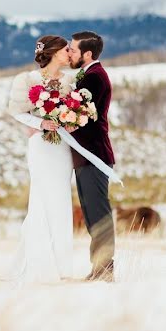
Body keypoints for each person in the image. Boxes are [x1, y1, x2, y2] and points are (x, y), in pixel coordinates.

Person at [6, 35, 78, 283]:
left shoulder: (71, 81)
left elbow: (76, 111)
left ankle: (62, 266)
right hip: (40, 145)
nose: (70, 53)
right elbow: (16, 111)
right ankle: (38, 263)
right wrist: (40, 122)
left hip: (63, 149)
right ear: (55, 52)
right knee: (41, 200)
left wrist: (71, 121)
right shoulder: (27, 80)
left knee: (61, 200)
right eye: (66, 49)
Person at [67, 31, 116, 282]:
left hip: (94, 155)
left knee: (98, 214)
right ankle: (99, 268)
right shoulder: (89, 75)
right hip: (85, 156)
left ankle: (105, 269)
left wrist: (59, 117)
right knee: (91, 214)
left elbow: (79, 115)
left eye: (73, 50)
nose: (69, 53)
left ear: (87, 54)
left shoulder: (95, 78)